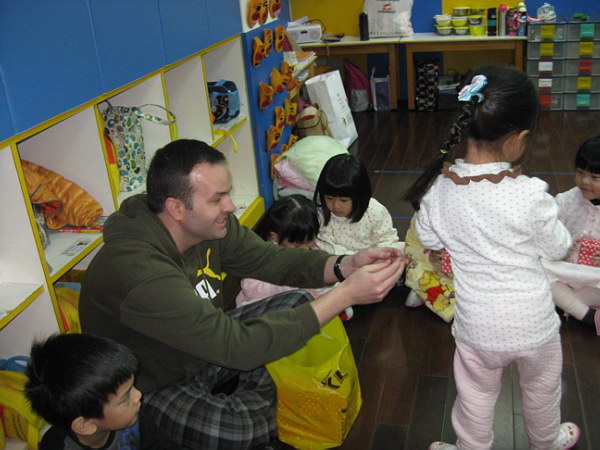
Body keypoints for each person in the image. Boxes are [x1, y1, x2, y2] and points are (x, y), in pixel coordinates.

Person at [78, 139, 406, 449]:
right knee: (239, 428)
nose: (231, 206)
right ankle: (261, 408)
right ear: (176, 207)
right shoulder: (140, 272)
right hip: (154, 384)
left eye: (228, 194)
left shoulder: (206, 226)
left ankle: (258, 406)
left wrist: (344, 265)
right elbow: (235, 346)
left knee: (298, 303)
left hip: (204, 349)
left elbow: (269, 259)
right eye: (217, 199)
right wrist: (346, 295)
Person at [403, 66, 580, 450]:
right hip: (535, 325)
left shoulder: (438, 191)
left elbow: (430, 239)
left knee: (476, 397)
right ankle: (546, 441)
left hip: (477, 327)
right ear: (518, 139)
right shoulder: (530, 194)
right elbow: (556, 248)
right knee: (542, 388)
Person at [24, 333, 180, 449]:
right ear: (85, 425)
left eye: (132, 387)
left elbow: (161, 445)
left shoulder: (133, 415)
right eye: (125, 397)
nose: (138, 395)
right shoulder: (58, 446)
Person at [542, 134, 600, 334]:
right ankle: (586, 315)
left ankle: (567, 306)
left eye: (594, 177)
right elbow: (547, 238)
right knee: (539, 267)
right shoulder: (565, 201)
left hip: (596, 278)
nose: (584, 181)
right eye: (580, 173)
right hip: (567, 272)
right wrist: (560, 250)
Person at [235, 194, 333, 308]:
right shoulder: (262, 253)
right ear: (275, 237)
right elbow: (250, 288)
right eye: (297, 245)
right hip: (271, 304)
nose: (305, 249)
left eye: (310, 240)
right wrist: (289, 283)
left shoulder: (312, 243)